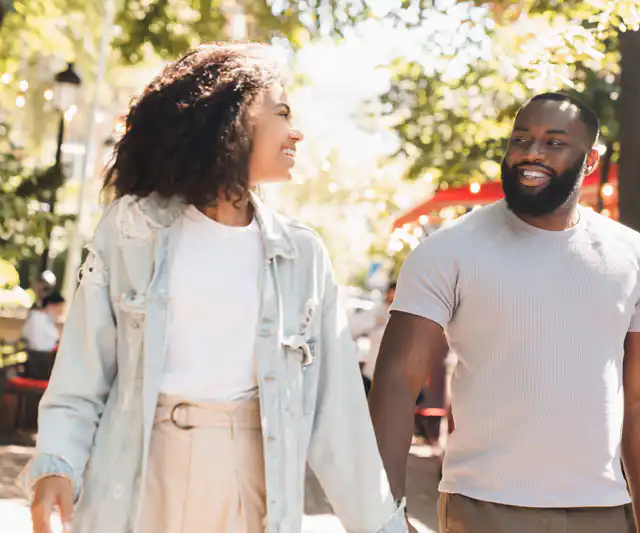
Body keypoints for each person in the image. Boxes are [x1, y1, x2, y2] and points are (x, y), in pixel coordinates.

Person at [17, 43, 406, 533]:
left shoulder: (302, 256)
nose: (296, 131)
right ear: (231, 118)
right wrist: (57, 462)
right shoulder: (132, 231)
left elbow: (339, 416)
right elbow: (83, 373)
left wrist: (382, 526)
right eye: (281, 113)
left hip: (252, 485)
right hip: (137, 476)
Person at [369, 93, 640, 533]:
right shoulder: (449, 251)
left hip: (602, 511)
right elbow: (396, 382)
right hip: (485, 508)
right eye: (521, 139)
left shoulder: (634, 256)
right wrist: (385, 518)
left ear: (590, 161)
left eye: (554, 142)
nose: (532, 153)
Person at [21, 292, 65, 380]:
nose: (60, 313)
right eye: (59, 309)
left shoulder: (40, 318)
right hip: (40, 365)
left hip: (38, 362)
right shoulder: (39, 320)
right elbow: (41, 345)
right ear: (51, 306)